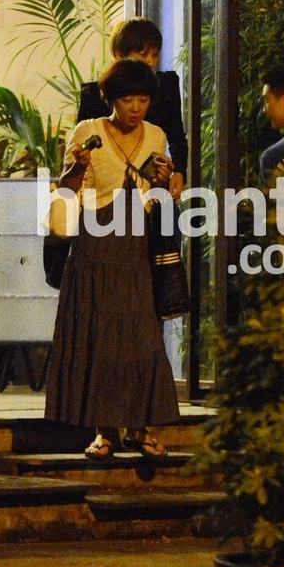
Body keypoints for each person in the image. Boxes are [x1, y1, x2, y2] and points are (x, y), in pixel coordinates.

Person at [45, 59, 180, 459]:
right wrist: (77, 165)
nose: (135, 107)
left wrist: (165, 180)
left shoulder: (156, 135)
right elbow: (67, 187)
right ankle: (104, 433)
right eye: (127, 100)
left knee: (142, 339)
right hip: (95, 243)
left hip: (136, 243)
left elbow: (159, 192)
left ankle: (139, 428)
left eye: (143, 99)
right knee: (99, 337)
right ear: (110, 99)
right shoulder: (87, 131)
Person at [78, 17, 188, 202]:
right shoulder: (96, 94)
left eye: (155, 55)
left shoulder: (165, 86)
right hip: (106, 189)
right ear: (118, 54)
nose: (150, 62)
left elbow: (176, 136)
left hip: (152, 183)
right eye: (143, 55)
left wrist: (179, 171)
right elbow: (85, 148)